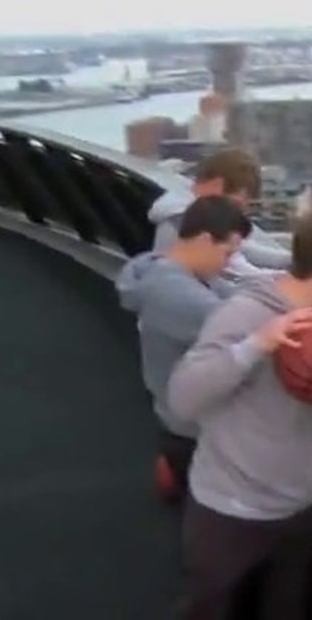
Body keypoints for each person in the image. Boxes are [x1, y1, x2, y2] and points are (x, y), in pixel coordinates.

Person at [168, 211, 312, 620]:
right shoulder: (245, 313)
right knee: (207, 610)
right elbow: (183, 397)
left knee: (286, 611)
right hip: (228, 506)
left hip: (295, 505)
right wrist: (257, 346)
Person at [115, 195, 253, 500]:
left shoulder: (172, 271)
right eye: (227, 253)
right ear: (205, 240)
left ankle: (174, 469)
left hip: (176, 416)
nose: (228, 263)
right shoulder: (176, 292)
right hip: (196, 429)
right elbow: (240, 326)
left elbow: (238, 298)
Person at [149, 147, 289, 280]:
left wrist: (293, 260)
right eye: (235, 204)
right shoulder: (185, 218)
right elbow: (239, 272)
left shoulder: (185, 205)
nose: (236, 213)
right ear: (217, 184)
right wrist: (294, 277)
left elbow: (243, 248)